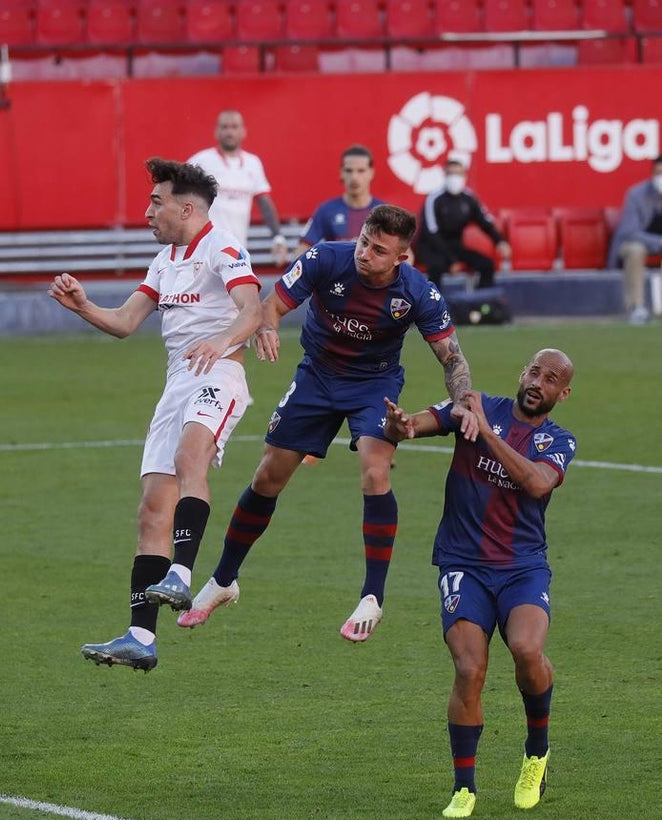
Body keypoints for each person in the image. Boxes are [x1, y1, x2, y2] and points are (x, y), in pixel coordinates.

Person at [177, 204, 475, 642]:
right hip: (316, 376)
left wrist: (463, 400)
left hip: (374, 385)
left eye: (378, 250)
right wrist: (268, 327)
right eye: (364, 242)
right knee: (267, 477)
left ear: (400, 258)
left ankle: (372, 597)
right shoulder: (325, 259)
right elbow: (272, 305)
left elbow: (452, 356)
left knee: (375, 469)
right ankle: (224, 580)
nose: (365, 254)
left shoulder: (417, 293)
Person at [49, 157, 263, 672]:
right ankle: (141, 636)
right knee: (150, 509)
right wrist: (82, 306)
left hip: (220, 374)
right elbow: (125, 322)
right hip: (177, 384)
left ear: (186, 207)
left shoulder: (223, 246)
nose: (147, 211)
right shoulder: (165, 260)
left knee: (193, 455)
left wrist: (219, 340)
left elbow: (253, 309)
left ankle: (183, 577)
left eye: (155, 201)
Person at [383, 348, 575, 819]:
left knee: (527, 649)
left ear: (562, 393)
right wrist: (399, 425)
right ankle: (464, 787)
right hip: (463, 563)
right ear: (521, 371)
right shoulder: (475, 405)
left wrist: (486, 434)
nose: (538, 382)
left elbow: (536, 483)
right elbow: (414, 426)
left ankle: (536, 752)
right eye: (534, 370)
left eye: (550, 379)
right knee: (470, 670)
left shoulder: (558, 439)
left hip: (521, 566)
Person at [188, 110, 289, 267]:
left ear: (243, 132)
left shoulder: (253, 163)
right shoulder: (200, 161)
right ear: (216, 131)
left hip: (237, 250)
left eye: (234, 127)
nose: (229, 132)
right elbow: (179, 196)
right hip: (203, 250)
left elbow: (265, 204)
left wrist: (278, 238)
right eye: (225, 127)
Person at [415, 159, 511, 292]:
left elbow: (484, 221)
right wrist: (451, 260)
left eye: (458, 174)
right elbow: (431, 233)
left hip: (455, 246)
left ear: (464, 176)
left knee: (487, 265)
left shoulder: (469, 198)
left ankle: (480, 305)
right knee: (436, 268)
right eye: (451, 174)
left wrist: (500, 241)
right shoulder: (434, 198)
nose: (454, 178)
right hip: (432, 248)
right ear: (445, 175)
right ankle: (433, 308)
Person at [296, 144, 386, 256]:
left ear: (371, 173)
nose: (354, 177)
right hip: (336, 273)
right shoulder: (326, 210)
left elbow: (405, 254)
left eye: (361, 171)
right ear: (341, 173)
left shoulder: (384, 212)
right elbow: (303, 249)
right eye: (349, 171)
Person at [607, 154, 662, 325]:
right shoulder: (636, 195)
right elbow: (629, 231)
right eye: (658, 172)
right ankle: (636, 308)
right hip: (635, 244)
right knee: (636, 249)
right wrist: (659, 242)